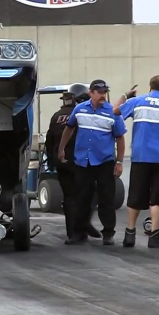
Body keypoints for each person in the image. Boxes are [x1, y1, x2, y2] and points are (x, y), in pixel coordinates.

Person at [58, 79, 127, 246]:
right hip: (83, 161)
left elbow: (120, 138)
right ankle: (78, 233)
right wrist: (61, 149)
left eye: (105, 92)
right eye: (99, 92)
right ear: (91, 93)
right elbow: (69, 128)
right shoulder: (79, 109)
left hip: (104, 162)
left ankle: (108, 233)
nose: (103, 95)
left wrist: (119, 162)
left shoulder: (112, 112)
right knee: (81, 198)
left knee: (106, 199)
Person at [113, 76, 159, 248]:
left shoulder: (138, 101)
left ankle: (129, 234)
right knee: (158, 197)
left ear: (150, 86)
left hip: (140, 156)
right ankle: (154, 235)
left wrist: (126, 95)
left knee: (136, 194)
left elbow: (115, 111)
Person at [45, 84, 101, 241]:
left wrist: (53, 158)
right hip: (81, 161)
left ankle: (73, 234)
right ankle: (83, 224)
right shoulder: (84, 114)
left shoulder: (57, 115)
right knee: (89, 193)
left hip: (62, 162)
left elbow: (50, 141)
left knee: (69, 197)